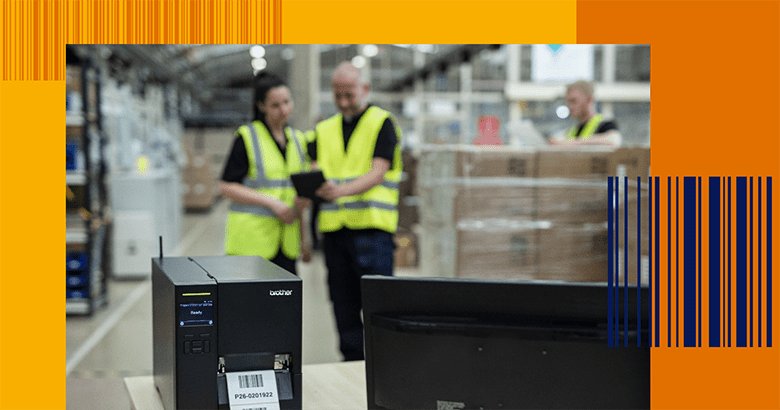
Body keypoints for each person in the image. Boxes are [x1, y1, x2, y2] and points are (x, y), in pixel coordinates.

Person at [308, 62, 403, 361]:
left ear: (365, 89)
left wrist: (339, 191)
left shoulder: (382, 123)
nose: (343, 102)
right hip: (335, 232)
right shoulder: (323, 129)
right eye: (338, 96)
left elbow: (379, 171)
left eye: (349, 94)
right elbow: (314, 168)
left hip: (372, 232)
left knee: (378, 305)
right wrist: (316, 185)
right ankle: (351, 363)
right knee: (342, 303)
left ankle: (384, 364)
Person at [220, 71, 312, 274]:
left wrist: (305, 241)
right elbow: (226, 187)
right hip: (252, 244)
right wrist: (272, 203)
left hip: (286, 245)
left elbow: (298, 195)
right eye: (275, 105)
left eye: (287, 102)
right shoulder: (247, 137)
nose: (284, 109)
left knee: (285, 303)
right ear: (262, 107)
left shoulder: (298, 140)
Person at [549, 80, 622, 147]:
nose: (569, 106)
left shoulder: (605, 125)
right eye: (568, 102)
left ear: (589, 99)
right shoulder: (573, 131)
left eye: (573, 101)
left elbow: (614, 140)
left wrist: (570, 143)